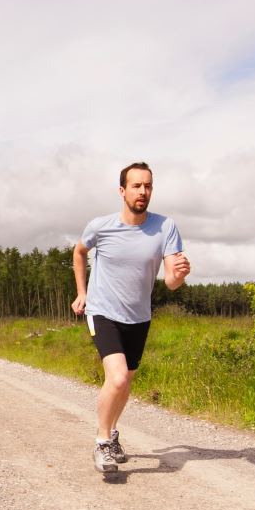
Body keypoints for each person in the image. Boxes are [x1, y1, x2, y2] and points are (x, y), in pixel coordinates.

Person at [71, 162, 190, 473]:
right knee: (118, 377)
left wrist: (179, 275)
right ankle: (102, 443)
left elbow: (171, 282)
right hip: (103, 311)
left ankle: (111, 434)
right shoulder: (101, 226)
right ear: (122, 190)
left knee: (124, 386)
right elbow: (79, 252)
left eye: (148, 186)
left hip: (138, 317)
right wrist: (82, 293)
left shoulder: (165, 227)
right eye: (136, 186)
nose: (143, 192)